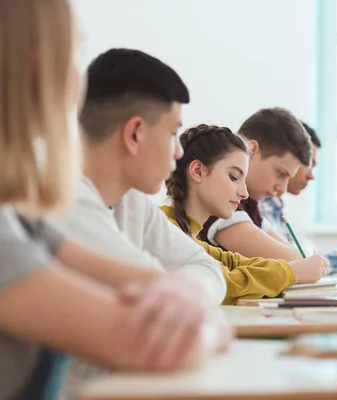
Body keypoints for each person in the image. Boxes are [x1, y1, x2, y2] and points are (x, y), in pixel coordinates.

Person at [0, 2, 226, 400]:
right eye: (75, 53)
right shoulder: (50, 201)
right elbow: (151, 341)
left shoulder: (23, 215)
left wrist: (189, 300)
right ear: (41, 70)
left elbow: (184, 279)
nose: (178, 153)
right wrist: (209, 324)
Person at [59, 48, 230, 398]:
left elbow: (204, 267)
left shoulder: (132, 201)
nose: (179, 152)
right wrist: (194, 303)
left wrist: (189, 290)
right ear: (134, 133)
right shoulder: (67, 204)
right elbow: (181, 316)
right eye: (172, 134)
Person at [162, 124, 329, 304]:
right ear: (197, 171)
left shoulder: (190, 235)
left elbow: (236, 263)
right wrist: (291, 272)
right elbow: (225, 282)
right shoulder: (165, 230)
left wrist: (292, 269)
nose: (244, 193)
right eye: (234, 177)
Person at [199, 107, 312, 261]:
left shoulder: (249, 205)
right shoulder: (219, 198)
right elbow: (290, 259)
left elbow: (294, 253)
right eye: (280, 173)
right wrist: (306, 252)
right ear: (252, 150)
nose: (282, 188)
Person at [260, 122, 337, 274]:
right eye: (308, 164)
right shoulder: (258, 205)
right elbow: (290, 262)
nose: (311, 175)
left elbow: (294, 256)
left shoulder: (274, 205)